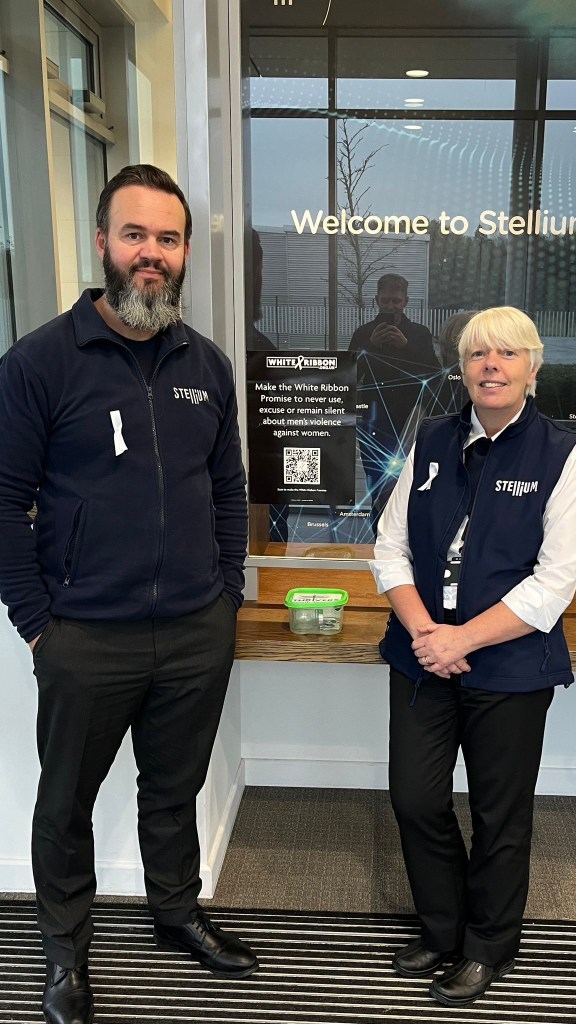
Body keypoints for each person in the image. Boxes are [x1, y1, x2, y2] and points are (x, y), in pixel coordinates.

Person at [0, 164, 258, 1024]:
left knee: (174, 789)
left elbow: (228, 489)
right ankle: (65, 955)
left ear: (184, 254)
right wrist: (39, 624)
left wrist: (226, 595)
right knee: (64, 805)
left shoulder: (206, 365)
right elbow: (4, 500)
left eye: (168, 239)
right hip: (84, 637)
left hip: (193, 630)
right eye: (136, 234)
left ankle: (176, 914)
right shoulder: (39, 363)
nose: (153, 253)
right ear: (103, 242)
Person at [370, 306, 576, 1007]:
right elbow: (391, 546)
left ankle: (488, 945)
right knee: (415, 797)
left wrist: (463, 639)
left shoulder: (561, 453)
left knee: (499, 814)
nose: (491, 364)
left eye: (507, 353)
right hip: (423, 655)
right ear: (460, 368)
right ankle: (443, 928)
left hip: (509, 664)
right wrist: (428, 633)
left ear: (532, 367)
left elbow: (555, 583)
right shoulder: (431, 438)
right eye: (477, 353)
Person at [348, 273, 439, 531]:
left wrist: (406, 346)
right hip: (374, 422)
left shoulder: (419, 334)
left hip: (411, 422)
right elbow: (349, 375)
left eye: (396, 301)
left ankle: (406, 538)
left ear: (405, 301)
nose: (391, 307)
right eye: (386, 301)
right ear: (376, 300)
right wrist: (370, 345)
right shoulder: (364, 334)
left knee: (411, 484)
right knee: (377, 486)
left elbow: (434, 375)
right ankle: (379, 537)